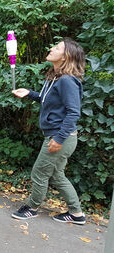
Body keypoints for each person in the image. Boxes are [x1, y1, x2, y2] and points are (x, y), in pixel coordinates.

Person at [11, 38, 86, 224]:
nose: (51, 48)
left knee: (39, 173)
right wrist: (30, 93)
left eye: (57, 47)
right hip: (59, 136)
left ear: (66, 56)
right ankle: (77, 214)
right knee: (57, 175)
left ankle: (32, 207)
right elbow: (47, 100)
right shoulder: (56, 78)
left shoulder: (68, 81)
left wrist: (59, 139)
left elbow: (73, 113)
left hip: (61, 137)